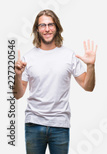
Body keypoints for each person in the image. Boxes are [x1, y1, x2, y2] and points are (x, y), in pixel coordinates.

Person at [13, 9, 97, 154]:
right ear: (37, 29)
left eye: (50, 25)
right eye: (42, 25)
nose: (47, 29)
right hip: (34, 124)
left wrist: (91, 66)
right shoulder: (28, 58)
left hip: (60, 125)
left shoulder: (69, 56)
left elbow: (88, 87)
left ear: (57, 27)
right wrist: (17, 76)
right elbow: (18, 95)